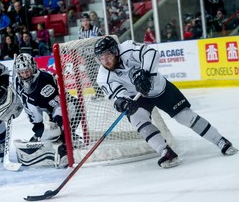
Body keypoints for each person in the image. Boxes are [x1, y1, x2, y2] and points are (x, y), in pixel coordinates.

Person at [94, 36, 238, 168]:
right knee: (137, 119)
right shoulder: (103, 77)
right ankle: (165, 152)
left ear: (115, 51)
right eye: (101, 58)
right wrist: (123, 103)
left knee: (185, 117)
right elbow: (117, 95)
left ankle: (220, 140)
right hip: (137, 97)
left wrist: (145, 74)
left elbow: (151, 53)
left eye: (107, 55)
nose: (105, 61)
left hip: (158, 87)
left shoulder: (127, 48)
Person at [13, 53, 81, 167]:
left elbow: (59, 104)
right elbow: (28, 105)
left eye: (27, 71)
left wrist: (58, 120)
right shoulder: (17, 81)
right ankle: (56, 137)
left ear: (33, 68)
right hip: (46, 113)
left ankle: (67, 138)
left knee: (63, 120)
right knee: (45, 133)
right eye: (22, 72)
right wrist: (38, 128)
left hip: (64, 109)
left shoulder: (45, 80)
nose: (24, 75)